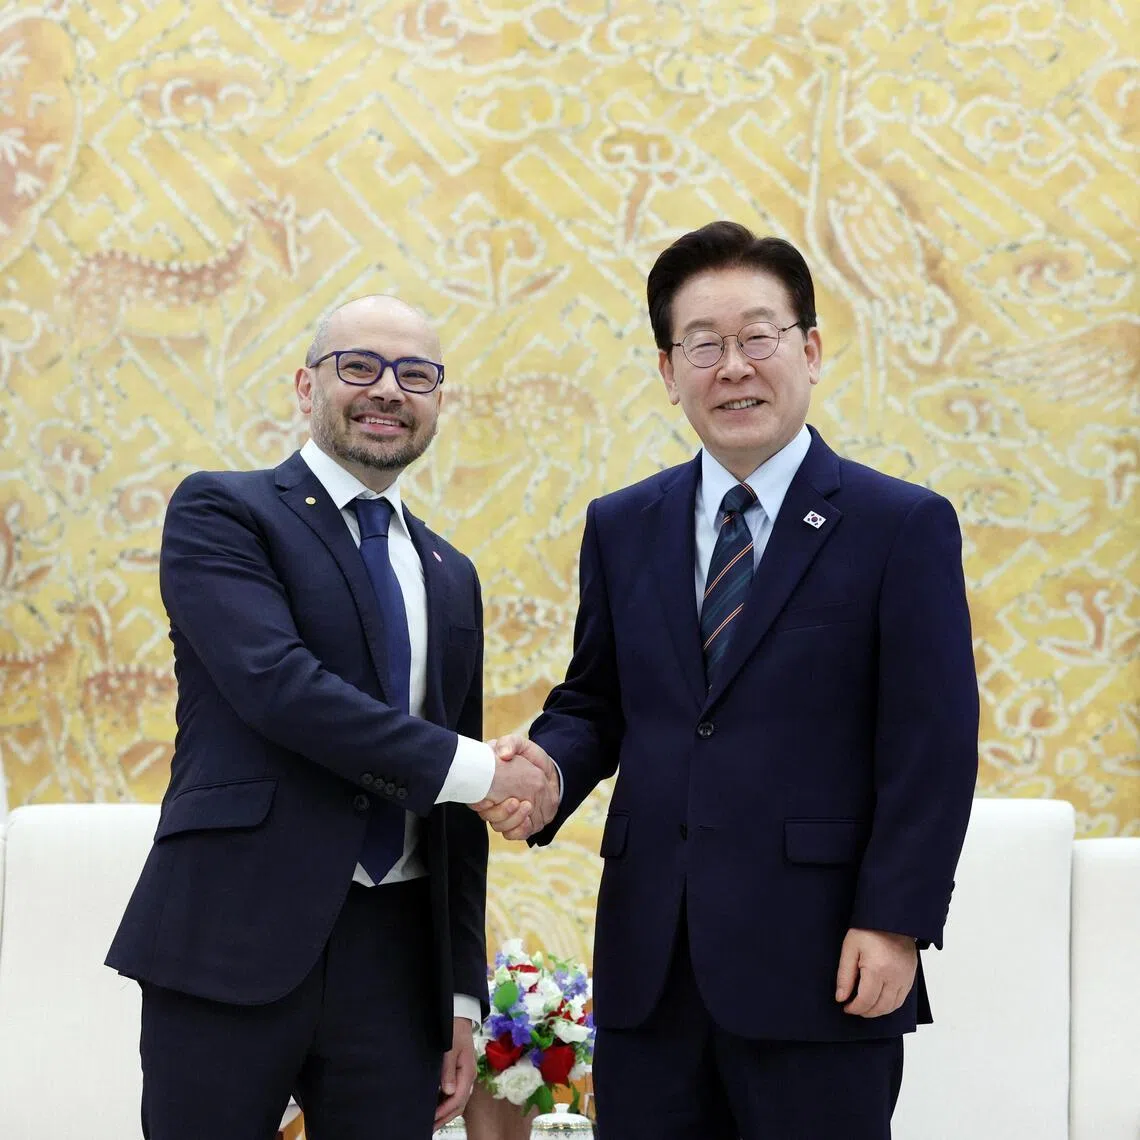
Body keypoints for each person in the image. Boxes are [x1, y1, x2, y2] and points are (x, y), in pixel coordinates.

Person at [478, 223, 979, 1139]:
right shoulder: (623, 524)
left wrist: (897, 921)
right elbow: (597, 701)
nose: (733, 367)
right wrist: (548, 770)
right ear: (670, 372)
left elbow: (932, 744)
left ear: (811, 350)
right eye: (703, 345)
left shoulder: (897, 525)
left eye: (759, 337)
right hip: (651, 966)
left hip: (824, 959)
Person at [107, 295, 558, 1140]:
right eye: (360, 366)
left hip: (394, 965)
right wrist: (489, 773)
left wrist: (458, 994)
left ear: (437, 402)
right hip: (233, 937)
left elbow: (453, 816)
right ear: (304, 385)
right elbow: (280, 686)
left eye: (415, 374)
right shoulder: (224, 512)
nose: (388, 389)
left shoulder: (451, 573)